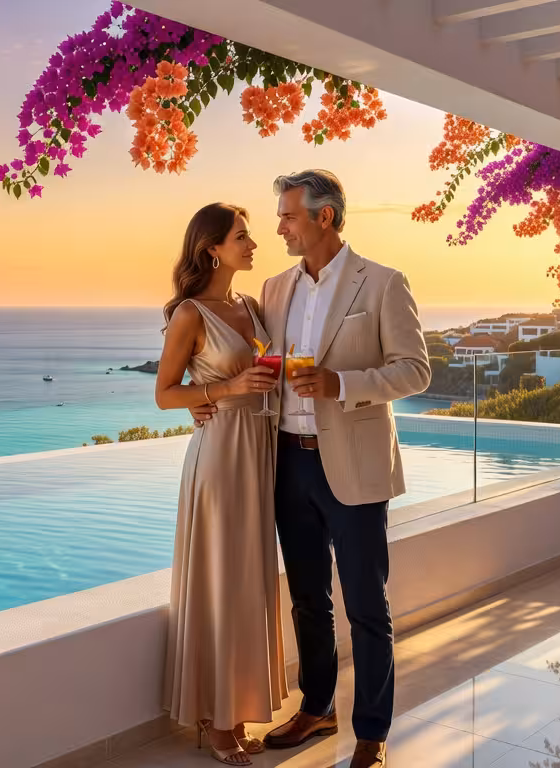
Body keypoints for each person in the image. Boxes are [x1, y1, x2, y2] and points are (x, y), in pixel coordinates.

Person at [190, 171, 429, 768]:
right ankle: (317, 706)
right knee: (306, 599)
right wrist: (209, 398)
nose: (278, 228)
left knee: (367, 606)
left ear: (324, 217)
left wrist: (340, 383)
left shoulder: (383, 283)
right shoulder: (272, 289)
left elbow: (415, 371)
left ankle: (371, 732)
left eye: (289, 217)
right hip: (285, 464)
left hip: (352, 466)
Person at [155, 203, 288, 765]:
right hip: (220, 456)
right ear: (213, 247)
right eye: (242, 236)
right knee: (220, 580)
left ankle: (235, 711)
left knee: (248, 579)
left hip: (259, 450)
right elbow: (164, 393)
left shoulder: (251, 306)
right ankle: (216, 722)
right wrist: (222, 392)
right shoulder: (190, 314)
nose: (253, 244)